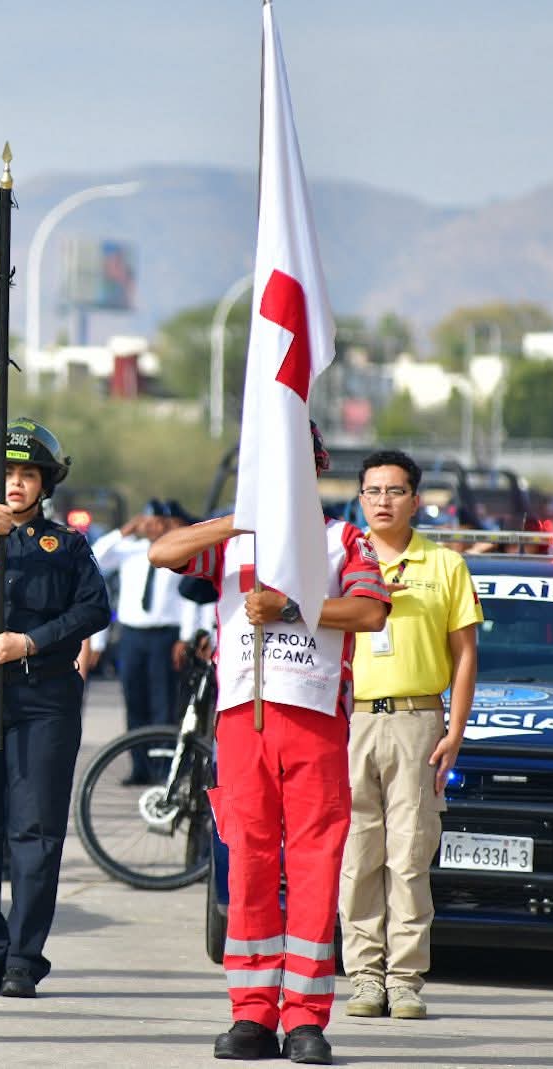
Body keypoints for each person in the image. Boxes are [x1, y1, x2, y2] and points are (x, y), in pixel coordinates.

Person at [147, 423, 389, 1066]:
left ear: (316, 466)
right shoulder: (231, 540)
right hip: (241, 720)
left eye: (296, 462)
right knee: (248, 866)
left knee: (313, 869)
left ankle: (306, 1018)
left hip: (314, 719)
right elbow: (163, 553)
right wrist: (237, 520)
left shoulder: (343, 538)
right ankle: (251, 1014)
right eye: (271, 462)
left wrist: (288, 609)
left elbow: (370, 612)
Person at [0, 420, 110, 998]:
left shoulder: (66, 545)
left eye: (27, 475)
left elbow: (94, 610)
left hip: (44, 696)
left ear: (45, 484)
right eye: (6, 474)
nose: (15, 484)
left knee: (36, 832)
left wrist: (33, 641)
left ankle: (23, 958)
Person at [342, 450, 482, 1022]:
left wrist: (455, 728)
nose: (383, 501)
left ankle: (404, 980)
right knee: (357, 856)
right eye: (373, 491)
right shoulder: (340, 558)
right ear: (359, 498)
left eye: (395, 491)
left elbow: (466, 652)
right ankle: (363, 977)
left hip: (418, 722)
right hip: (349, 720)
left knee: (409, 856)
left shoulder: (444, 565)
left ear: (415, 500)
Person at [94, 502, 200, 752]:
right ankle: (139, 765)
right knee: (134, 697)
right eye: (148, 522)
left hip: (166, 635)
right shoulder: (129, 550)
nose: (153, 527)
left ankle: (162, 765)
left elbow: (189, 598)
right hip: (132, 634)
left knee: (163, 699)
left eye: (158, 522)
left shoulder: (177, 551)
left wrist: (185, 637)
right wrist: (124, 531)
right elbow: (96, 556)